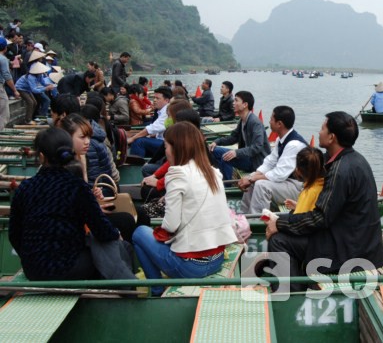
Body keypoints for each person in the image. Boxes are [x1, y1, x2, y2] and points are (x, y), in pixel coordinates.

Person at [266, 112, 383, 291]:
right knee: (293, 232)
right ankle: (300, 283)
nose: (319, 132)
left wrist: (280, 223)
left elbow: (320, 218)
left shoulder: (340, 170)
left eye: (322, 128)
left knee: (279, 241)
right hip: (360, 242)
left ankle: (291, 297)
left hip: (350, 250)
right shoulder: (355, 160)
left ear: (331, 137)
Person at [132, 122, 238, 296]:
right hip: (216, 260)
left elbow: (171, 226)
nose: (165, 152)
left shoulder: (177, 175)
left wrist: (161, 233)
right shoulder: (213, 173)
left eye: (166, 146)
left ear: (177, 148)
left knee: (139, 233)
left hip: (191, 267)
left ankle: (157, 290)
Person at [9, 127, 122, 281]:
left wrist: (32, 258)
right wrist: (116, 234)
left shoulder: (24, 188)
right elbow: (102, 230)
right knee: (105, 252)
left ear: (41, 157)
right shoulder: (77, 186)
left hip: (33, 271)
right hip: (70, 268)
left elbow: (14, 235)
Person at [237, 106, 307, 214]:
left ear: (279, 124)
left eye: (271, 119)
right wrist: (251, 176)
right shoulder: (281, 139)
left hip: (299, 187)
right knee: (253, 179)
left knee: (261, 185)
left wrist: (252, 179)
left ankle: (257, 221)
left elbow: (279, 174)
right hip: (287, 182)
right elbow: (270, 162)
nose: (269, 121)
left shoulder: (294, 144)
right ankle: (243, 215)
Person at [208, 91, 270, 180]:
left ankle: (226, 185)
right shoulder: (242, 120)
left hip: (256, 162)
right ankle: (220, 179)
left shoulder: (255, 122)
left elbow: (257, 147)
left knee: (225, 157)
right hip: (247, 157)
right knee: (212, 150)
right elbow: (233, 137)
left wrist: (236, 153)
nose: (233, 103)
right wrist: (216, 142)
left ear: (245, 104)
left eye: (236, 101)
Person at [127, 86, 172, 157]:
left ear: (167, 100)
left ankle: (135, 165)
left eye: (157, 98)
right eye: (154, 98)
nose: (154, 100)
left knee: (139, 141)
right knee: (139, 138)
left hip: (167, 144)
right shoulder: (162, 110)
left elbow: (152, 128)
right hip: (162, 140)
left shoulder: (167, 111)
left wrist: (132, 138)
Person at [283, 147, 326, 214]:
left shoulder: (309, 193)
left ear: (298, 171)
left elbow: (299, 220)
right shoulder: (328, 185)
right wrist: (298, 205)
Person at [0, 37, 20, 130]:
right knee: (4, 114)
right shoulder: (2, 59)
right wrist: (14, 90)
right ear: (5, 48)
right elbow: (7, 76)